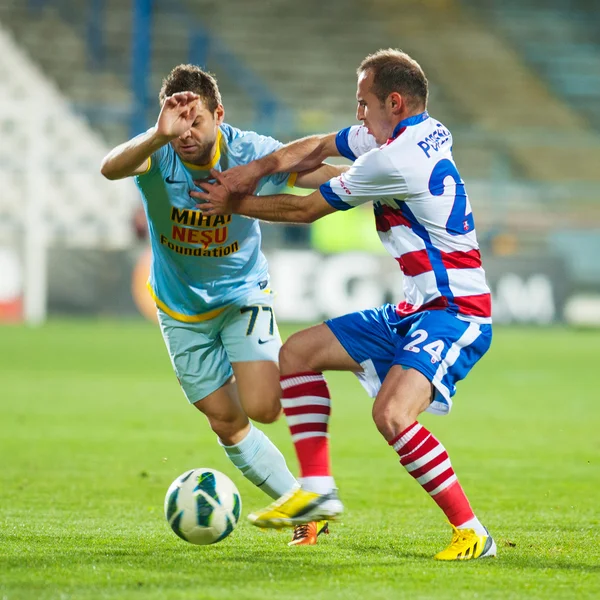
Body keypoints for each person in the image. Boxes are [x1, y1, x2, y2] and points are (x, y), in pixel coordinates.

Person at [192, 49, 496, 561]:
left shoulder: (397, 158)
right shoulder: (409, 132)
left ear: (393, 102)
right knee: (297, 354)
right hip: (415, 308)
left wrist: (233, 201)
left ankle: (472, 533)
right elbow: (317, 150)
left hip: (456, 311)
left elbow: (310, 209)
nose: (357, 114)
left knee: (393, 415)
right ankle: (317, 488)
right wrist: (259, 169)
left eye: (363, 103)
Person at [100, 64, 344, 546]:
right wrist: (156, 134)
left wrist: (369, 183)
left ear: (219, 116)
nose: (186, 133)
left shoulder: (247, 150)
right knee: (226, 420)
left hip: (241, 296)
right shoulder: (157, 153)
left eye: (197, 121)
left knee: (264, 407)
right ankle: (304, 510)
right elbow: (111, 167)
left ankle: (327, 364)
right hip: (181, 311)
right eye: (177, 121)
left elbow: (310, 173)